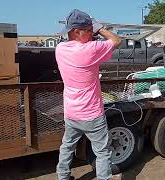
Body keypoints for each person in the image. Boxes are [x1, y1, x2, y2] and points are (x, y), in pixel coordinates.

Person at [55, 9, 121, 180]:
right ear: (77, 31)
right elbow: (116, 40)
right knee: (103, 153)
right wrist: (100, 28)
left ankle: (62, 176)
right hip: (92, 115)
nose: (93, 35)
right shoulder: (90, 49)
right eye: (90, 31)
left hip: (71, 112)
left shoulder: (60, 49)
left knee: (67, 146)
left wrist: (92, 31)